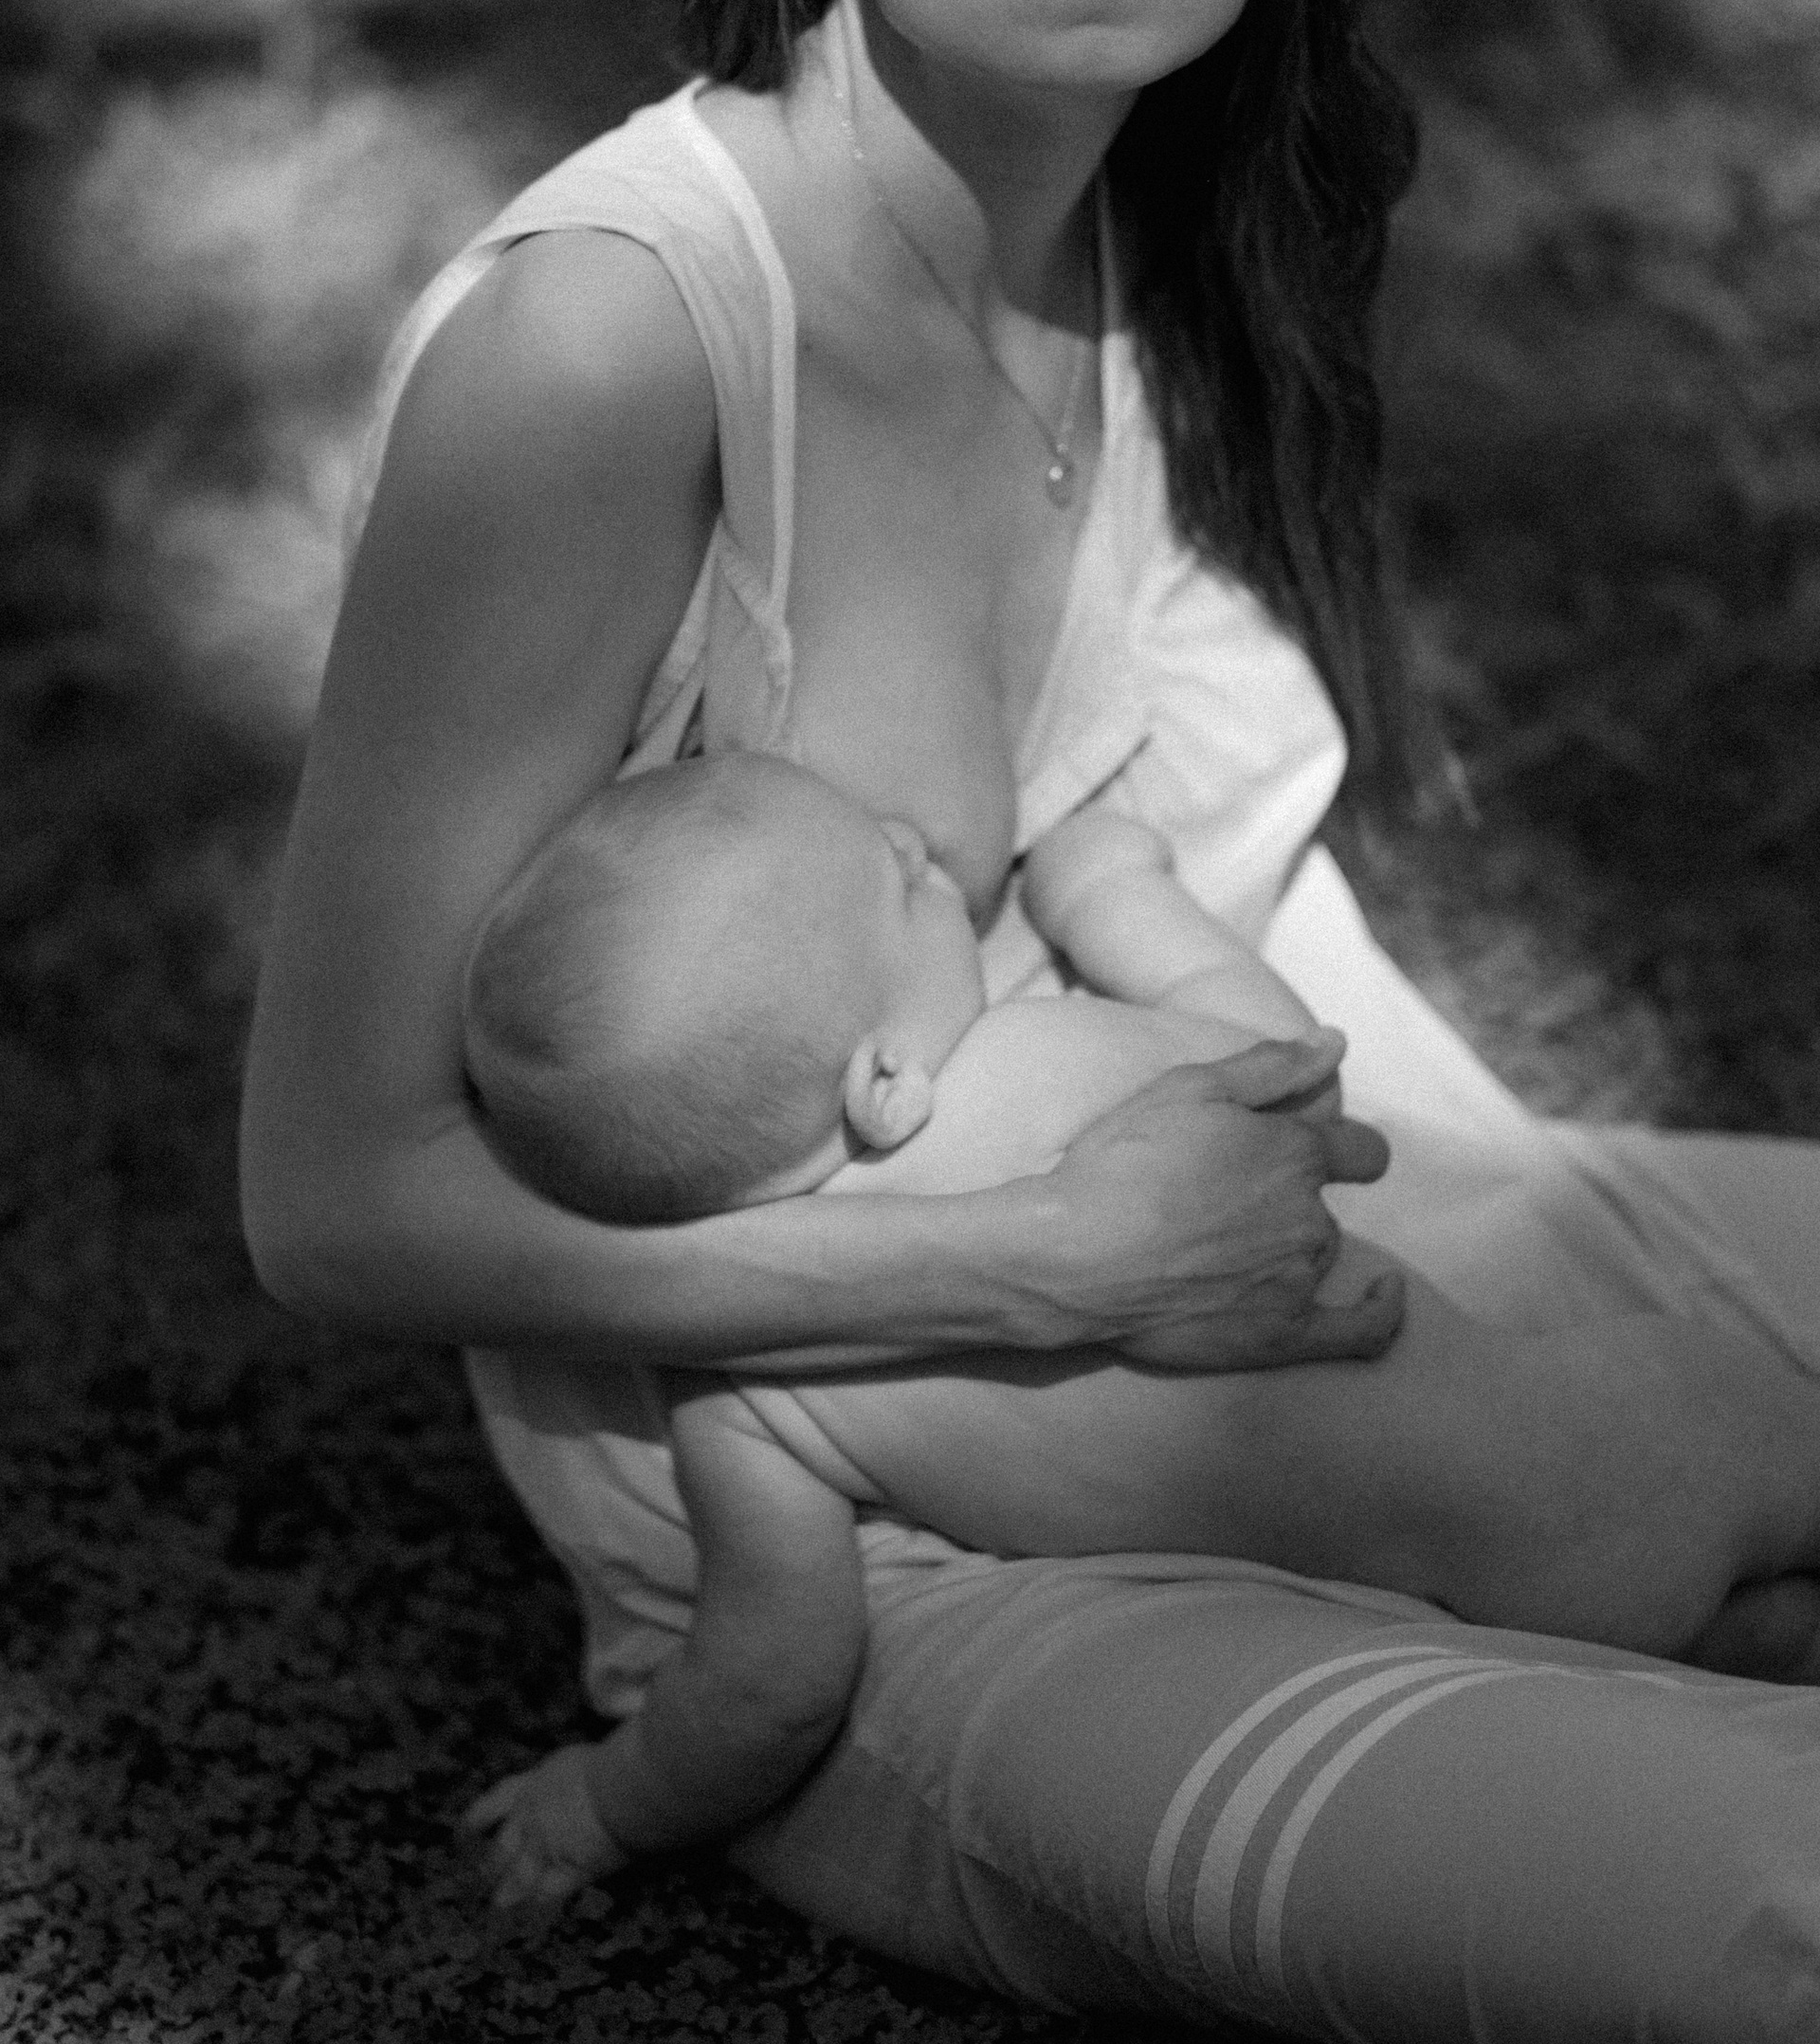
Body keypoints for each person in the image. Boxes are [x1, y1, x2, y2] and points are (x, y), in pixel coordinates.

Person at [239, 0, 1820, 2038]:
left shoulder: (1116, 242)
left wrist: (1488, 1276)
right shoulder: (612, 343)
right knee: (1767, 1900)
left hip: (1338, 1293)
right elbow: (331, 1199)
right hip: (884, 1567)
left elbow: (1211, 945)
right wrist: (1036, 1256)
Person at [456, 749, 1820, 1908]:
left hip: (1476, 1642)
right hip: (1611, 1452)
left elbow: (772, 1679)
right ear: (883, 1082)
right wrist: (1113, 891)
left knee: (1759, 1679)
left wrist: (606, 1805)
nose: (919, 849)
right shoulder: (1047, 1066)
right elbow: (1294, 1067)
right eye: (899, 877)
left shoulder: (749, 1401)